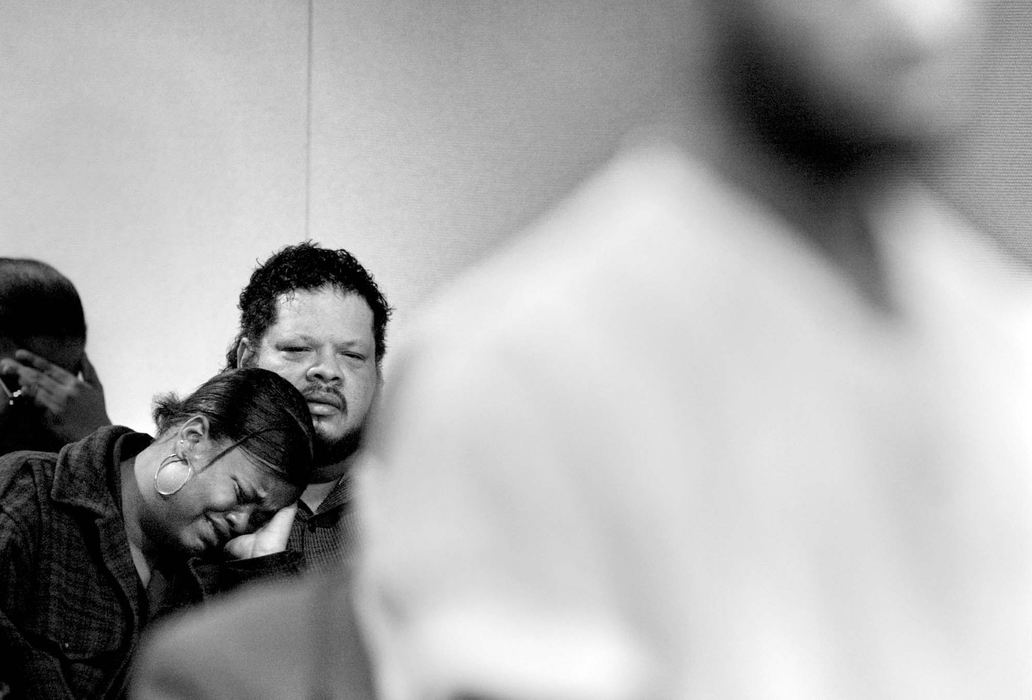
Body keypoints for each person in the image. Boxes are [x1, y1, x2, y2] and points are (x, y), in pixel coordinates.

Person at [132, 1, 1032, 698]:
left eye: (351, 354)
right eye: (298, 349)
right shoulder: (519, 377)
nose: (917, 16)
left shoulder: (999, 338)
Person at [0, 366, 315, 699]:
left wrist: (262, 569)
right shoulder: (30, 496)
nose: (241, 522)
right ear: (193, 439)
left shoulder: (216, 578)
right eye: (241, 495)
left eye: (259, 517)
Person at [223, 241, 391, 575]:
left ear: (378, 377)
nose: (327, 370)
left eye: (353, 356)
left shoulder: (424, 509)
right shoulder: (193, 497)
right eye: (298, 348)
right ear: (246, 359)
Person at [0, 257, 111, 456]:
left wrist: (100, 438)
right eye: (20, 381)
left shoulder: (70, 434)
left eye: (64, 381)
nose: (57, 405)